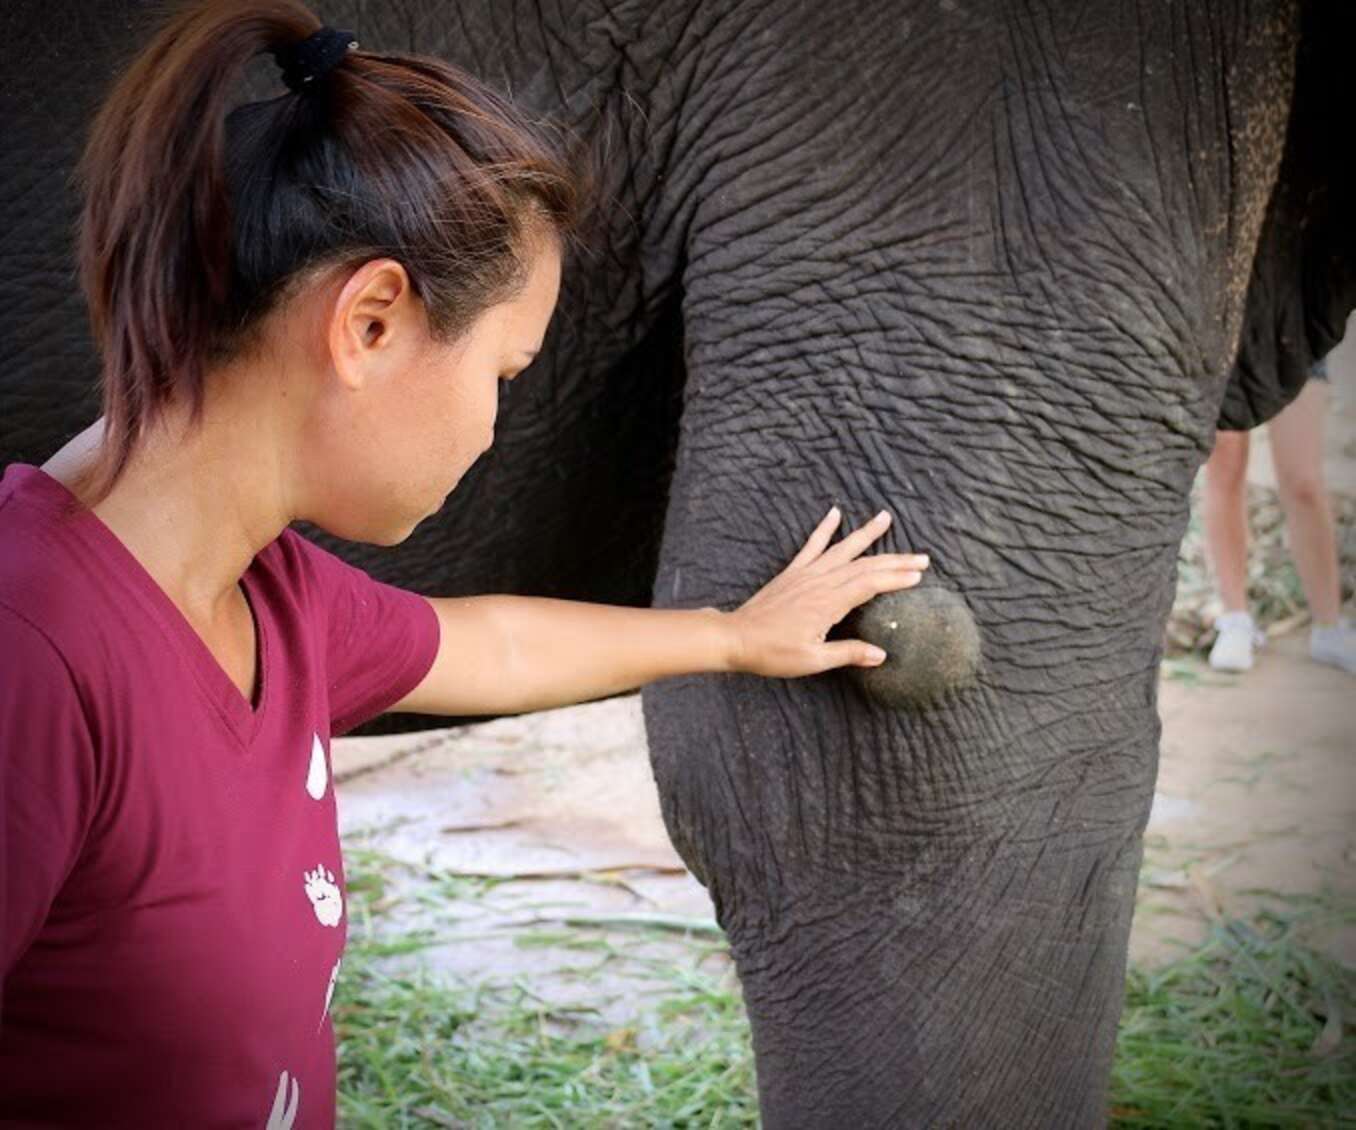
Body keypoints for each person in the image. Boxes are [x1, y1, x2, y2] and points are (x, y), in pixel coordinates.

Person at [0, 2, 931, 1125]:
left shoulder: (263, 592)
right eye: (503, 368)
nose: (492, 426)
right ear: (372, 323)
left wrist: (734, 634)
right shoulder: (33, 654)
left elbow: (487, 641)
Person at [1202, 356, 1355, 674]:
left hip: (1293, 326)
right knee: (1225, 467)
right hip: (1225, 332)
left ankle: (1329, 627)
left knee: (1304, 482)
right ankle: (1234, 619)